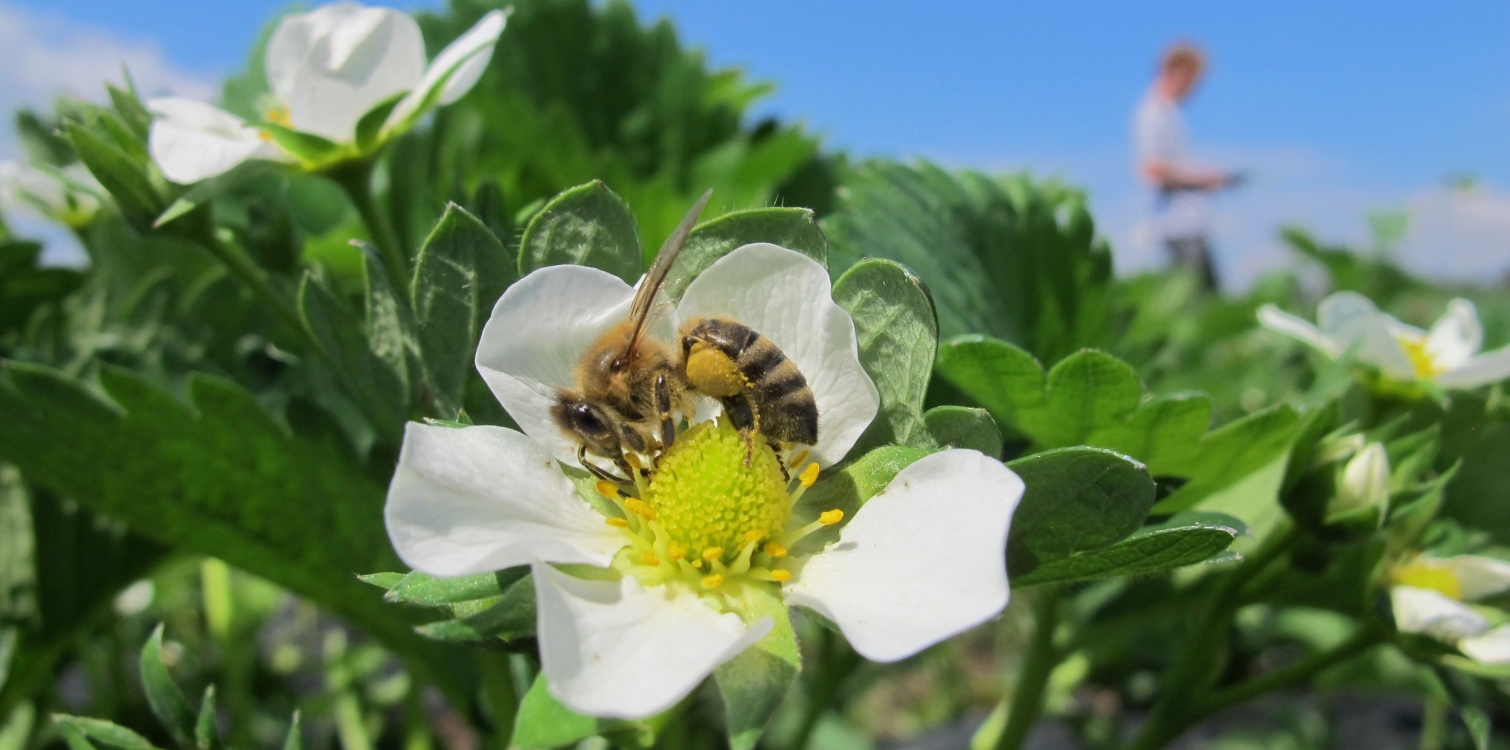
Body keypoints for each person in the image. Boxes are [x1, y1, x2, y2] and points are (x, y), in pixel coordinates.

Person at [1132, 42, 1242, 291]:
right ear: (1180, 72)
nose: (1195, 88)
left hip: (1191, 222)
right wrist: (1204, 179)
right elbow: (1153, 170)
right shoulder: (1153, 112)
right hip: (1177, 224)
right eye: (1194, 80)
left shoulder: (1169, 113)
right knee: (1197, 300)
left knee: (1210, 295)